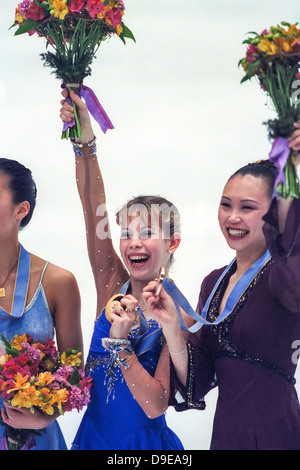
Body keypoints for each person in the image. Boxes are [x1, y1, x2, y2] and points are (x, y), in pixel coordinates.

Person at [143, 128, 300, 450]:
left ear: (275, 212)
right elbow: (196, 382)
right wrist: (173, 328)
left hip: (276, 431)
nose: (232, 217)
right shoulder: (213, 282)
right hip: (227, 432)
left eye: (247, 207)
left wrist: (292, 172)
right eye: (226, 205)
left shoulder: (284, 274)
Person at [59, 90, 193, 450]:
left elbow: (155, 405)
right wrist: (85, 140)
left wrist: (120, 344)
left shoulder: (179, 313)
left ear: (172, 243)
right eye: (127, 233)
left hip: (143, 445)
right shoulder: (111, 284)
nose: (134, 242)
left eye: (147, 233)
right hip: (93, 437)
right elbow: (93, 207)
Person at [0, 157, 82, 450]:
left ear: (21, 209)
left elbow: (73, 370)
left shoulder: (58, 282)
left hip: (36, 439)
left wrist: (46, 416)